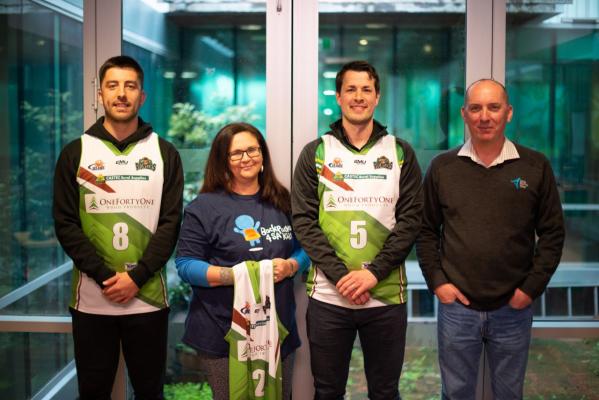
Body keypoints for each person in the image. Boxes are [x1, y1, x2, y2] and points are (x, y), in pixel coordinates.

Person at [416, 79, 565, 399]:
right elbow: (425, 230)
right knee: (455, 394)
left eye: (494, 107)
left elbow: (553, 233)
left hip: (514, 307)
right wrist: (438, 283)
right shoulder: (442, 167)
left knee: (509, 394)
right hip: (457, 308)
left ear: (508, 113)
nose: (485, 116)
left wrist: (530, 289)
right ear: (464, 114)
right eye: (476, 108)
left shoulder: (535, 165)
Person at [53, 55, 183, 399]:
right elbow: (65, 223)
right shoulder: (76, 153)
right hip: (92, 301)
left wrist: (136, 277)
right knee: (93, 392)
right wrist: (105, 277)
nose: (121, 94)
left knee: (150, 393)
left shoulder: (164, 153)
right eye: (113, 85)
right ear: (100, 94)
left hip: (148, 299)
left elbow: (170, 223)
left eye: (130, 86)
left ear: (142, 95)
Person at [291, 60, 423, 399]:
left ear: (377, 97)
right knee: (327, 391)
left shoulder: (400, 152)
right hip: (329, 297)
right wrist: (343, 278)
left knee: (385, 392)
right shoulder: (316, 152)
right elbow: (304, 221)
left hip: (385, 296)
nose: (359, 96)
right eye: (351, 89)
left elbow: (411, 221)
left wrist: (372, 274)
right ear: (338, 96)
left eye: (366, 89)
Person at [175, 122, 310, 400]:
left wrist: (291, 266)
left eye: (252, 150)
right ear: (223, 160)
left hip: (276, 330)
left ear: (262, 154)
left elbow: (305, 249)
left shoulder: (282, 200)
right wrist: (232, 275)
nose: (246, 158)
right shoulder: (203, 207)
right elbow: (186, 264)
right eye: (236, 153)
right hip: (222, 332)